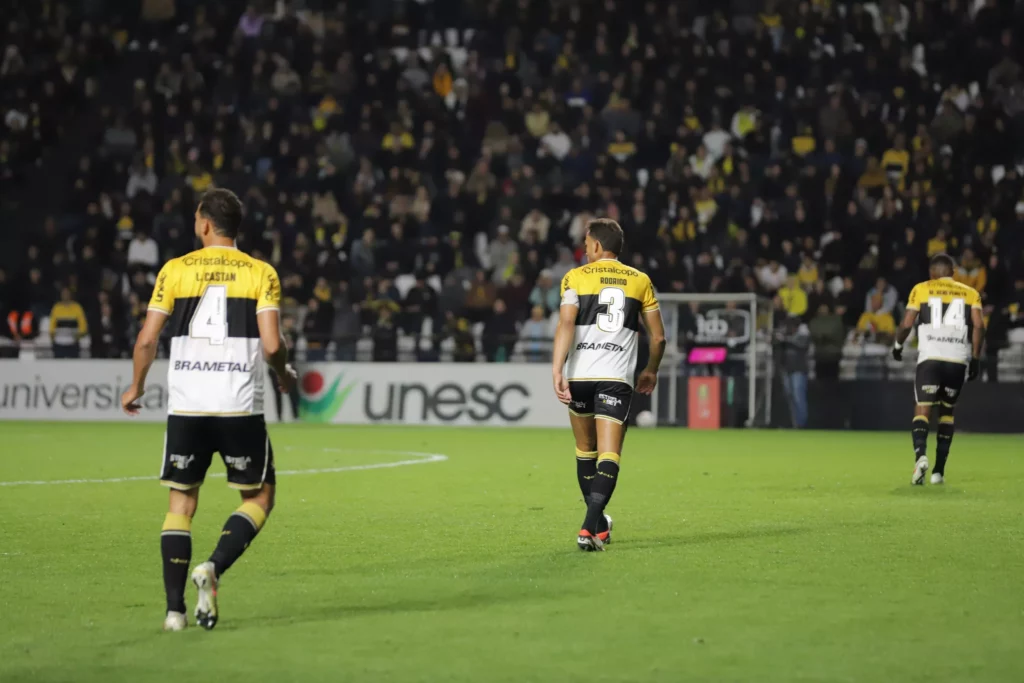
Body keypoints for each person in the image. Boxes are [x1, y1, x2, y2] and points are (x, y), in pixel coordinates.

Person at [120, 188, 296, 632]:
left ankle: (174, 611)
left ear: (203, 224)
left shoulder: (174, 271)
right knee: (259, 496)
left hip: (188, 406)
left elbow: (146, 339)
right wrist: (285, 374)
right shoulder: (261, 272)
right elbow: (272, 344)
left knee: (181, 502)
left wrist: (136, 386)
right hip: (237, 405)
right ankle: (213, 568)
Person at [551, 219, 666, 551]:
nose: (585, 250)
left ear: (597, 246)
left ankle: (598, 525)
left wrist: (557, 369)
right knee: (609, 454)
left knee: (585, 451)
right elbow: (658, 338)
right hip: (615, 378)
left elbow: (566, 323)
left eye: (586, 244)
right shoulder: (640, 280)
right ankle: (590, 527)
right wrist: (651, 370)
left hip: (580, 376)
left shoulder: (574, 277)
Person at [892, 253, 984, 486]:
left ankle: (920, 456)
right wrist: (975, 358)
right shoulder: (970, 293)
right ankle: (938, 472)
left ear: (932, 273)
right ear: (953, 272)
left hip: (930, 358)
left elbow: (906, 324)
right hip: (957, 359)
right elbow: (979, 326)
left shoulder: (921, 289)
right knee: (947, 412)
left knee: (922, 409)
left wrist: (897, 345)